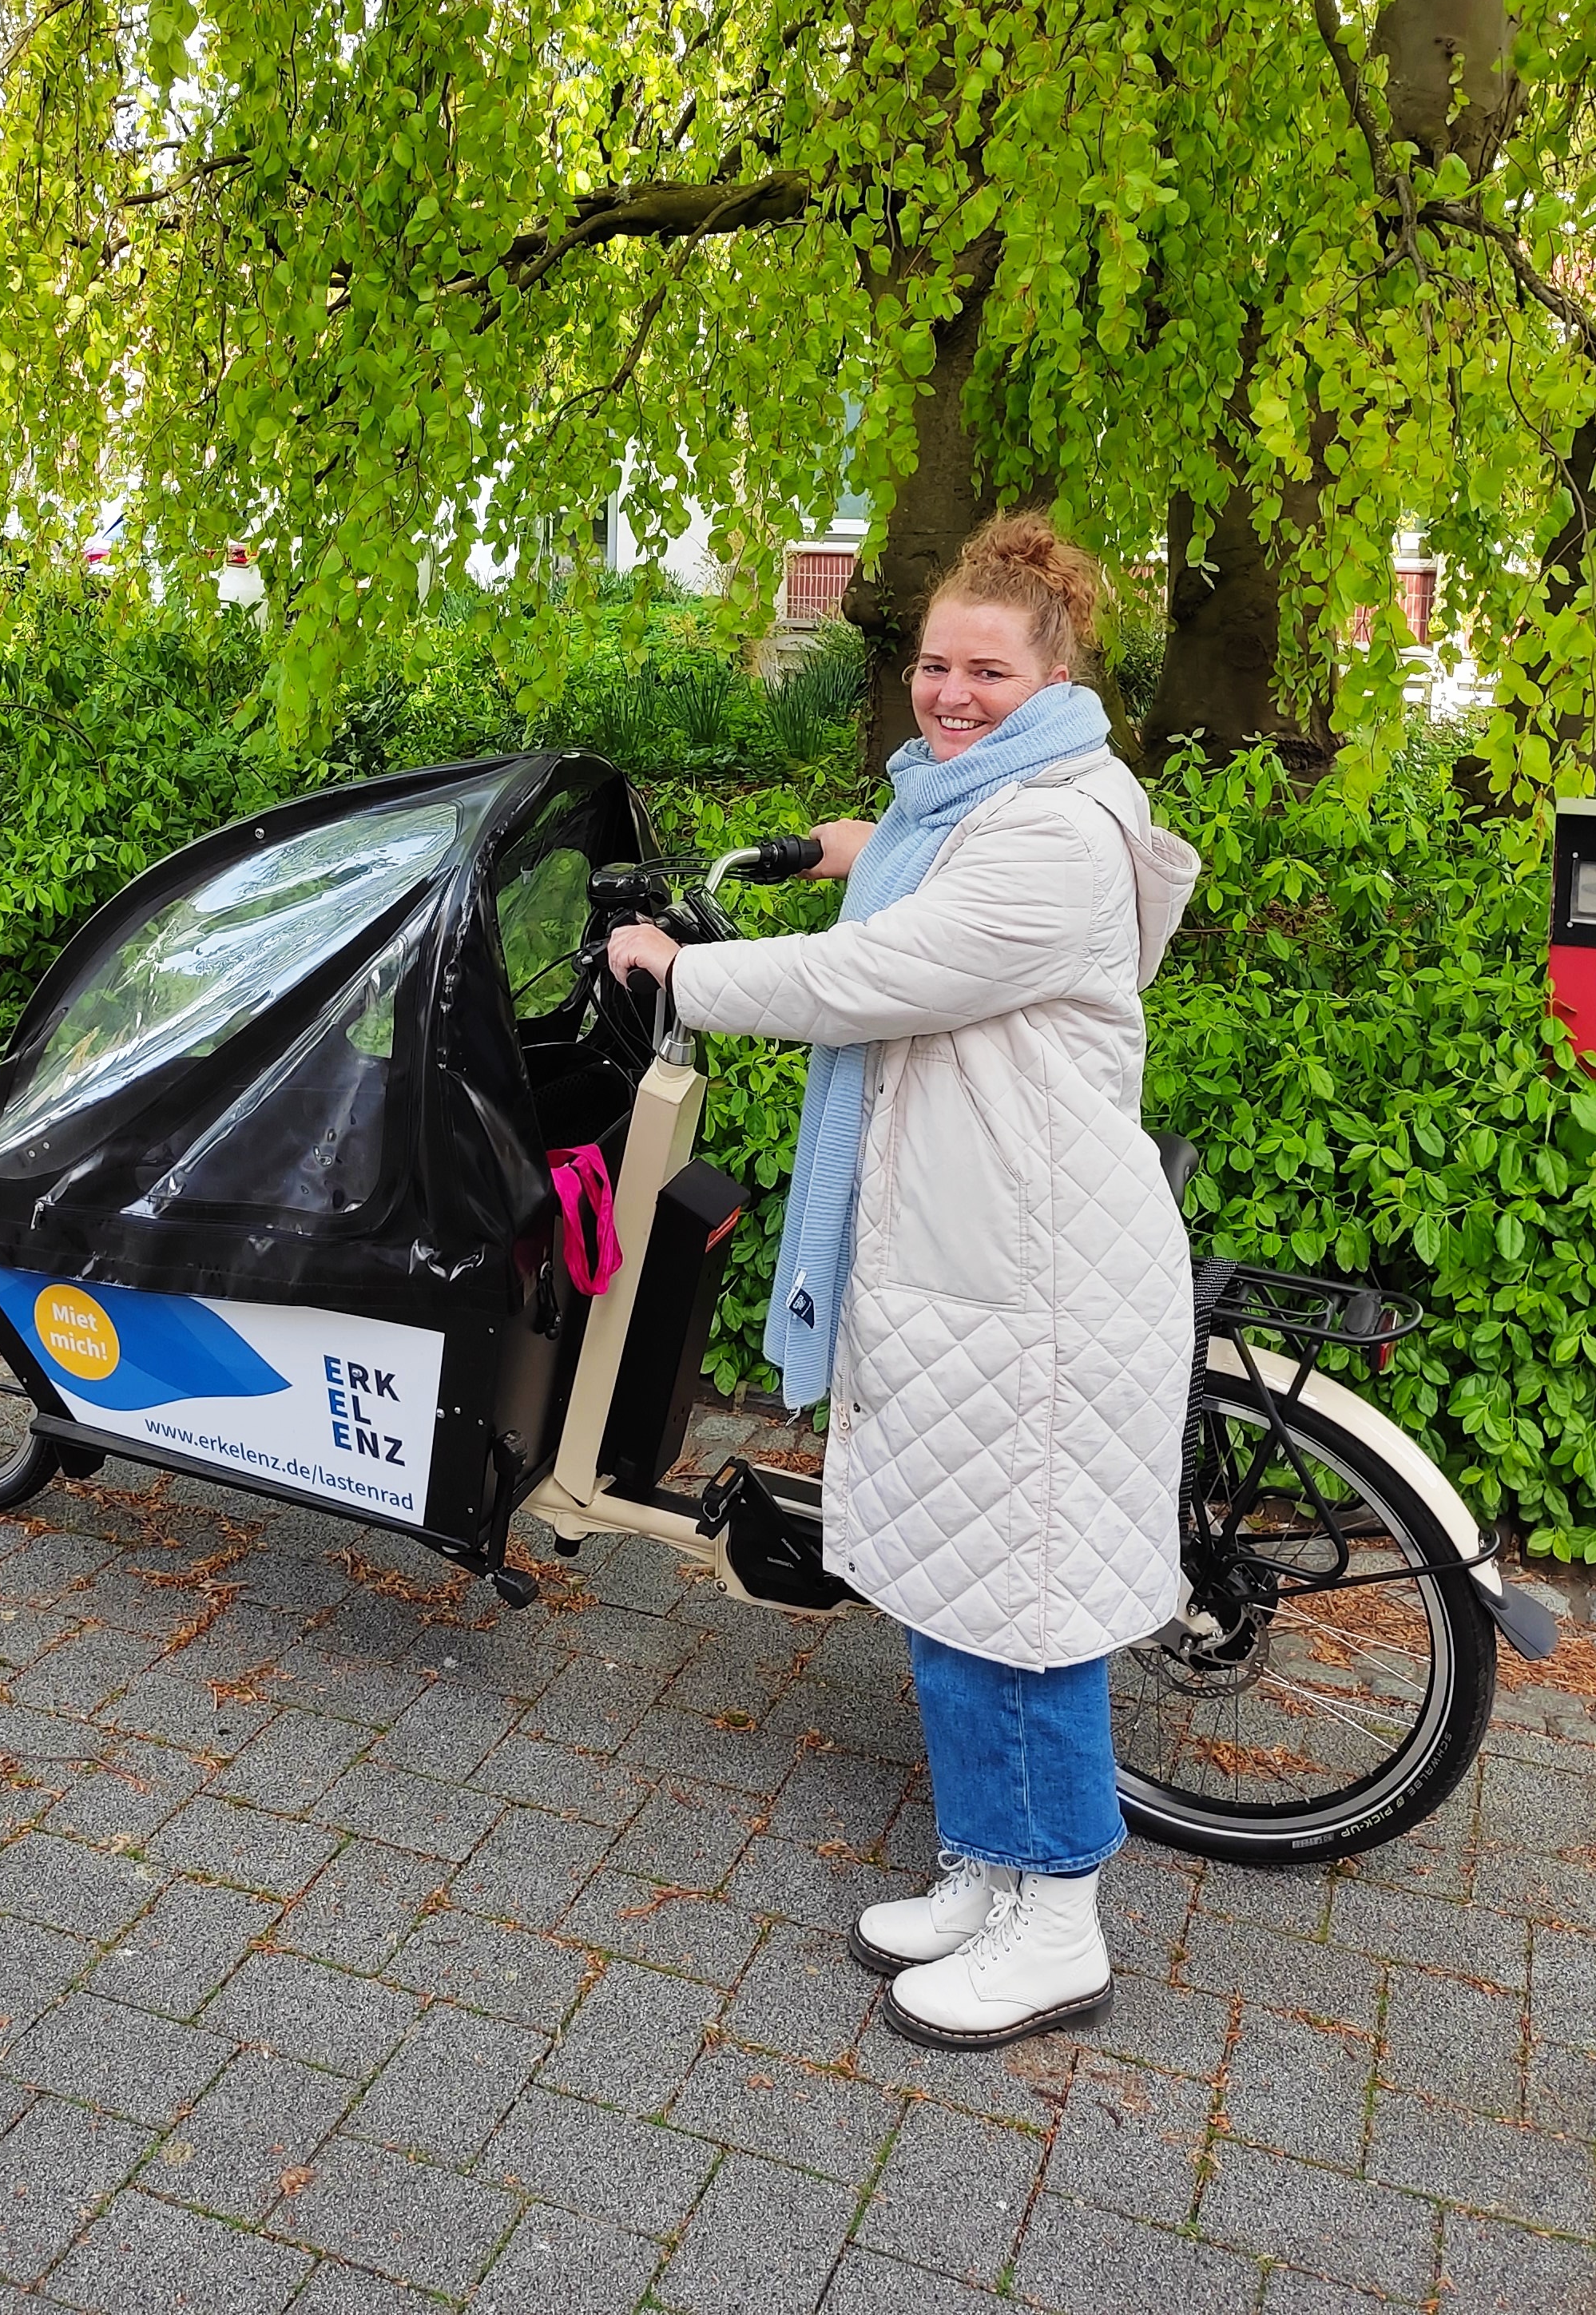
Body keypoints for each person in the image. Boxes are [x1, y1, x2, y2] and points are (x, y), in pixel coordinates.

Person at [606, 514, 1201, 2049]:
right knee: (955, 1578)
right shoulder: (989, 798)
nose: (949, 693)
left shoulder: (1058, 833)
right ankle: (988, 1867)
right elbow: (921, 854)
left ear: (1055, 680)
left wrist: (683, 972)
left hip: (1036, 1289)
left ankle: (1056, 1922)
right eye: (935, 664)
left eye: (986, 672)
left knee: (1028, 1602)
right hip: (967, 1274)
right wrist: (840, 845)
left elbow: (876, 973)